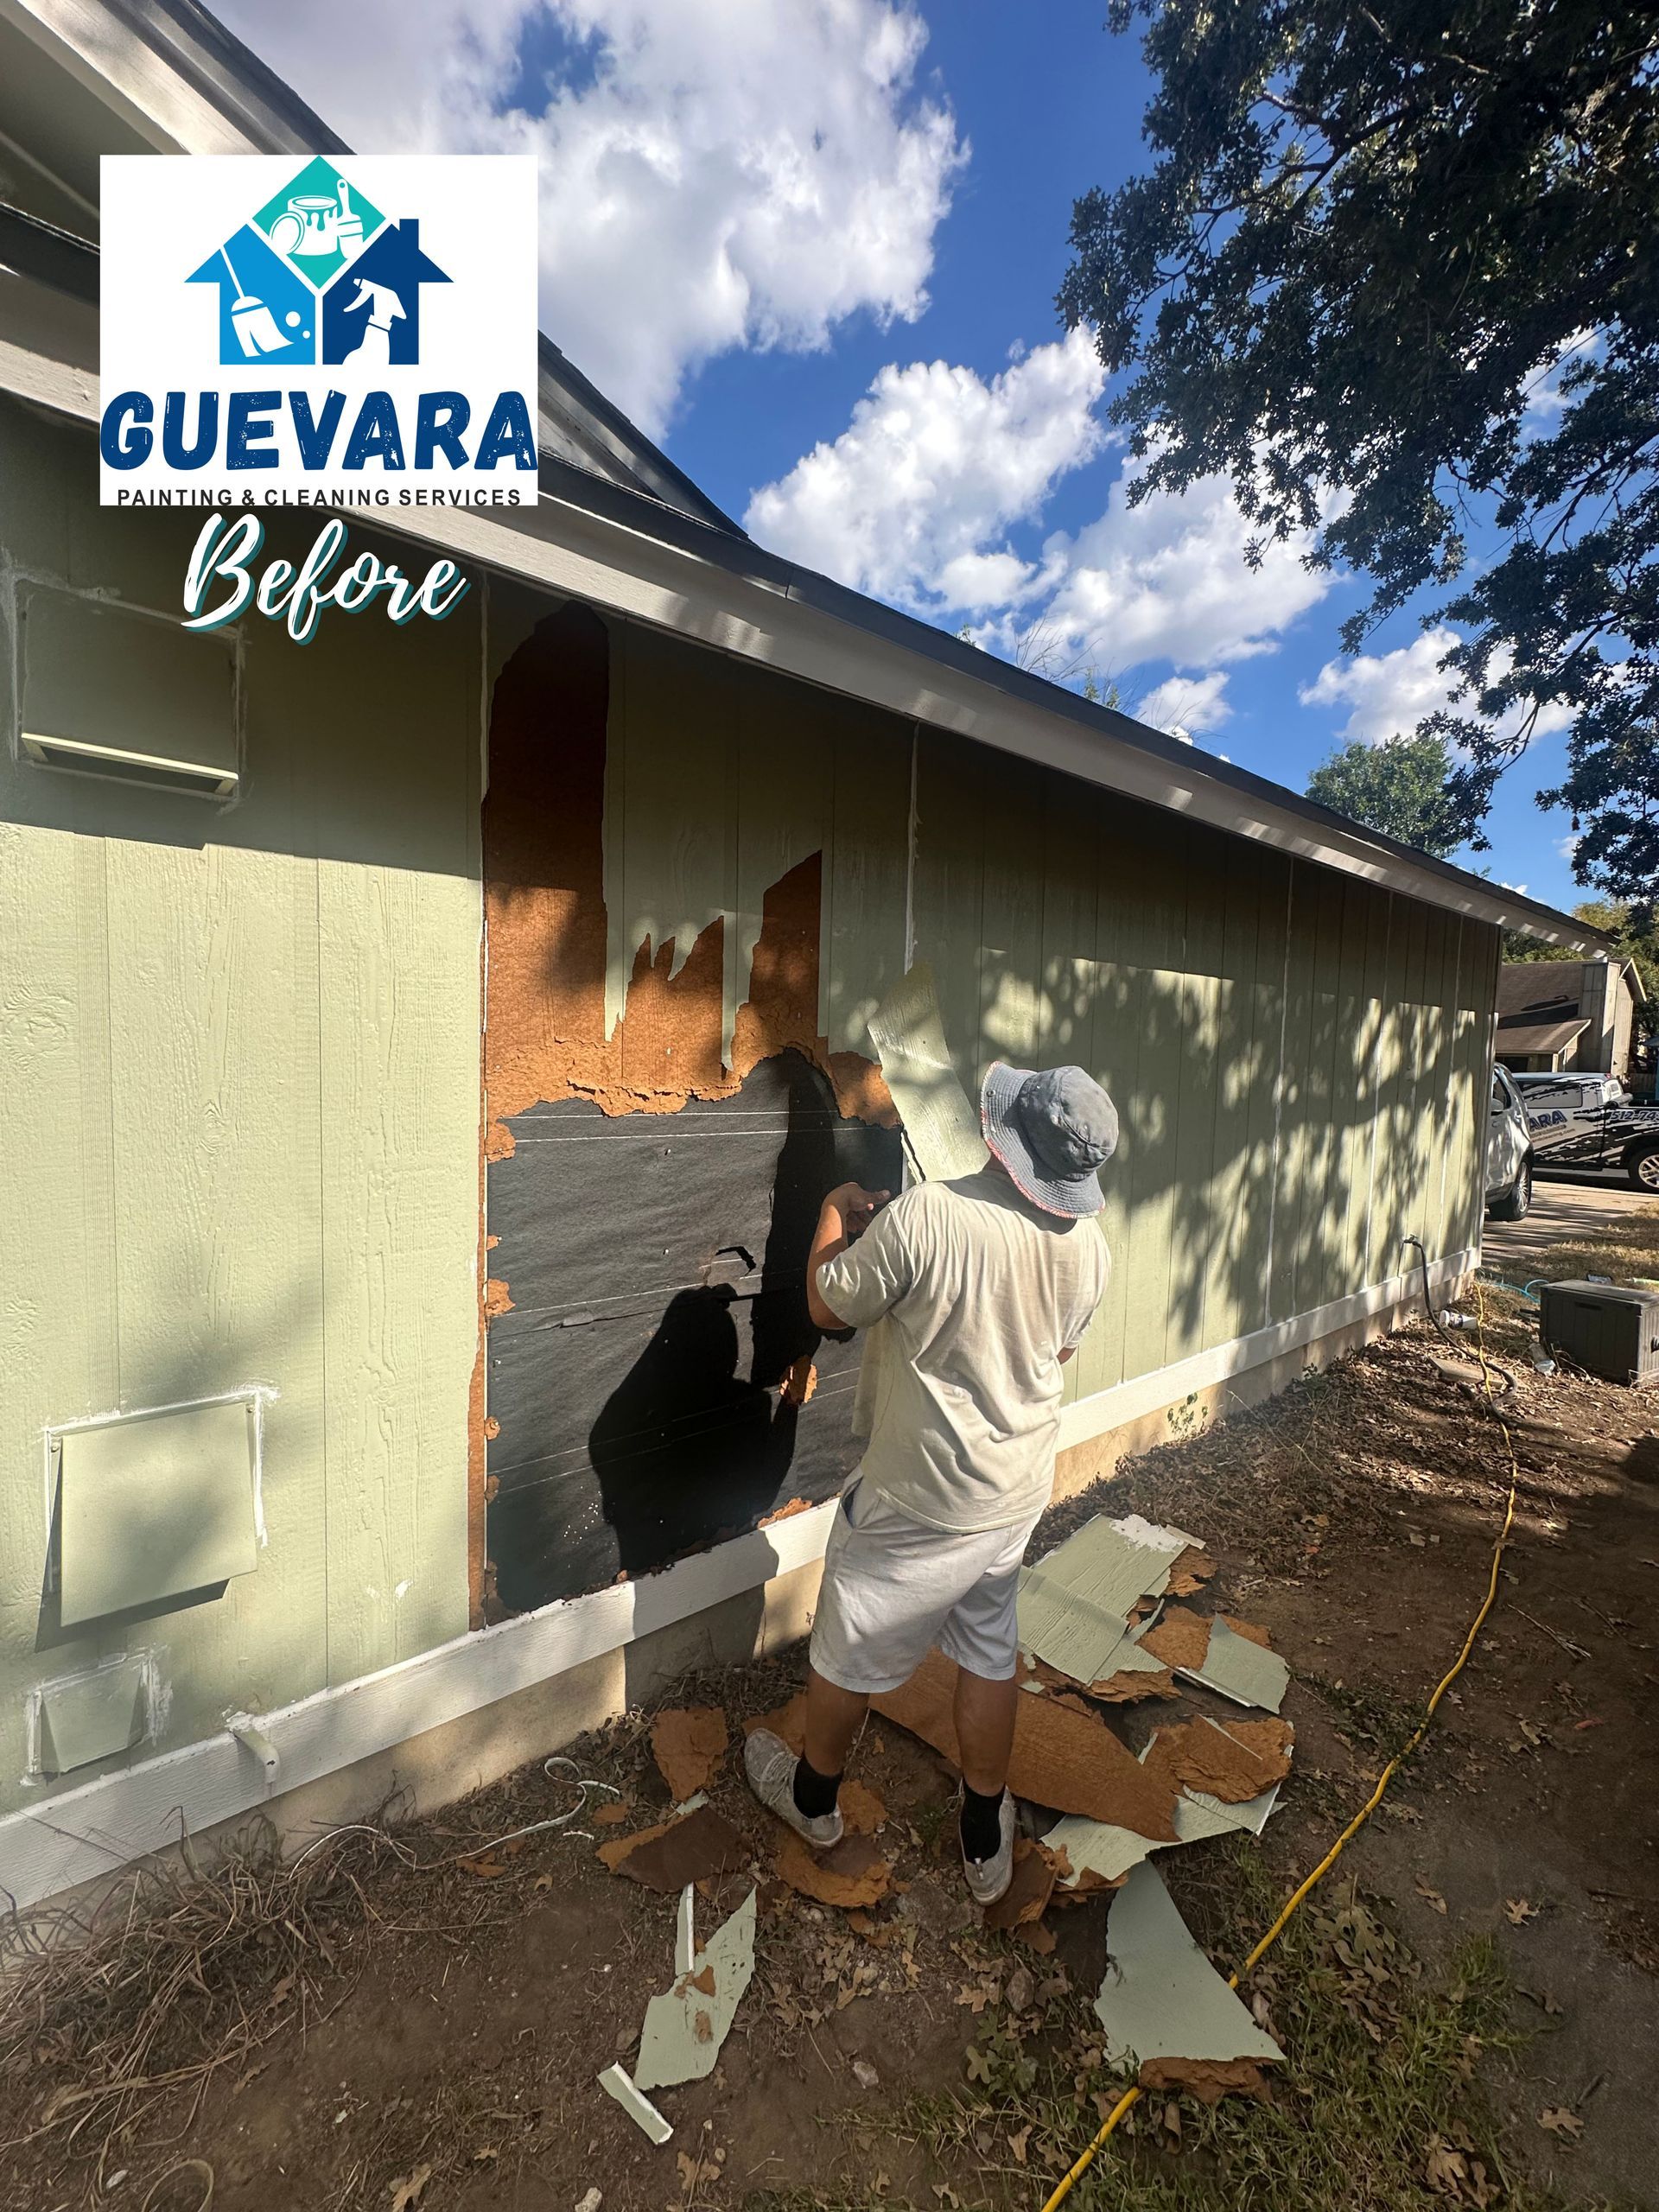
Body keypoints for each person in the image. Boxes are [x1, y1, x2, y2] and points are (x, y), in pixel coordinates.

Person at [744, 1060, 1117, 1904]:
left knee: (850, 1650)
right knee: (988, 1648)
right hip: (1013, 1488)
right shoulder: (1088, 1248)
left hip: (918, 1499)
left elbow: (829, 1304)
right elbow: (1055, 1350)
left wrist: (835, 1210)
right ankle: (985, 1838)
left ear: (1001, 1134)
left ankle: (813, 1803)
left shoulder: (929, 1216)